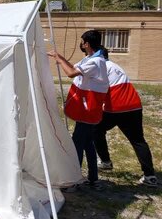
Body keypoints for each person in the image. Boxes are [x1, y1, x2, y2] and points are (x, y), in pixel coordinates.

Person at [48, 30, 109, 191]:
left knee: (77, 145)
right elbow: (73, 67)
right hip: (88, 110)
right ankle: (93, 179)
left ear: (87, 44)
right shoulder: (90, 58)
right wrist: (59, 57)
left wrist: (59, 60)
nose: (81, 44)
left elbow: (70, 73)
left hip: (88, 111)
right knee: (88, 144)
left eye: (82, 42)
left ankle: (73, 180)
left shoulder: (95, 63)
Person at [94, 48, 158, 187]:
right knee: (138, 140)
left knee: (96, 129)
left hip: (116, 108)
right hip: (134, 105)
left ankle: (105, 162)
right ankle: (150, 176)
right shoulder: (115, 66)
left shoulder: (101, 66)